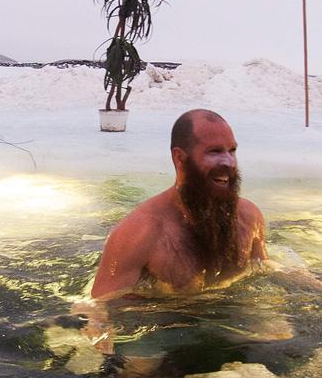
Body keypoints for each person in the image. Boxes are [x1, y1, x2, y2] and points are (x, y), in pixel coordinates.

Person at [90, 109, 267, 300]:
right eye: (214, 151)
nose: (229, 162)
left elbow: (264, 271)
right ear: (180, 158)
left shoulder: (249, 217)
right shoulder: (139, 233)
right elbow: (100, 309)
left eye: (232, 150)